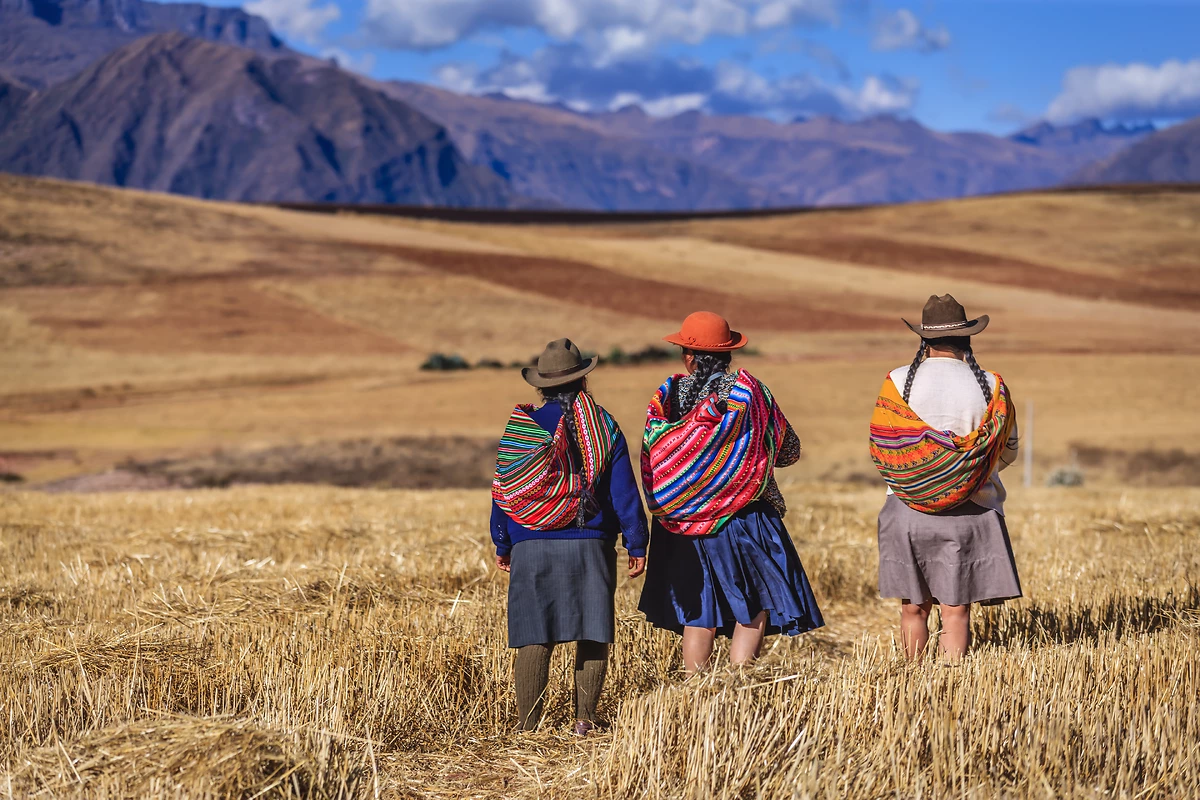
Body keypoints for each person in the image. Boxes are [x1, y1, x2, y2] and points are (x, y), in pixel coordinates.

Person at [637, 311, 824, 676]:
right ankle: (737, 684)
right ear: (728, 353)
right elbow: (788, 450)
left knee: (699, 611)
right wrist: (744, 461)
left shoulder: (667, 397)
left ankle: (695, 690)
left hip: (679, 524)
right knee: (755, 604)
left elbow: (656, 451)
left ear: (689, 355)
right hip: (744, 519)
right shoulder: (750, 393)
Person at [491, 338, 648, 736]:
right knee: (592, 630)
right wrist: (636, 541)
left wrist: (503, 542)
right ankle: (584, 720)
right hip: (589, 544)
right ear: (582, 381)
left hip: (531, 543)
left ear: (540, 385)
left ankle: (529, 727)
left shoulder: (521, 429)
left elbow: (505, 492)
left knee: (533, 634)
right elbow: (623, 493)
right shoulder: (603, 426)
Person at [869, 294, 1022, 662]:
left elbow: (882, 444)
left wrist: (923, 473)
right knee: (956, 611)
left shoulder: (896, 381)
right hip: (973, 508)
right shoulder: (992, 385)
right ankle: (950, 684)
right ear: (968, 338)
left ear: (924, 339)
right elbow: (1009, 450)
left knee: (913, 608)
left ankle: (912, 680)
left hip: (906, 507)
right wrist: (966, 472)